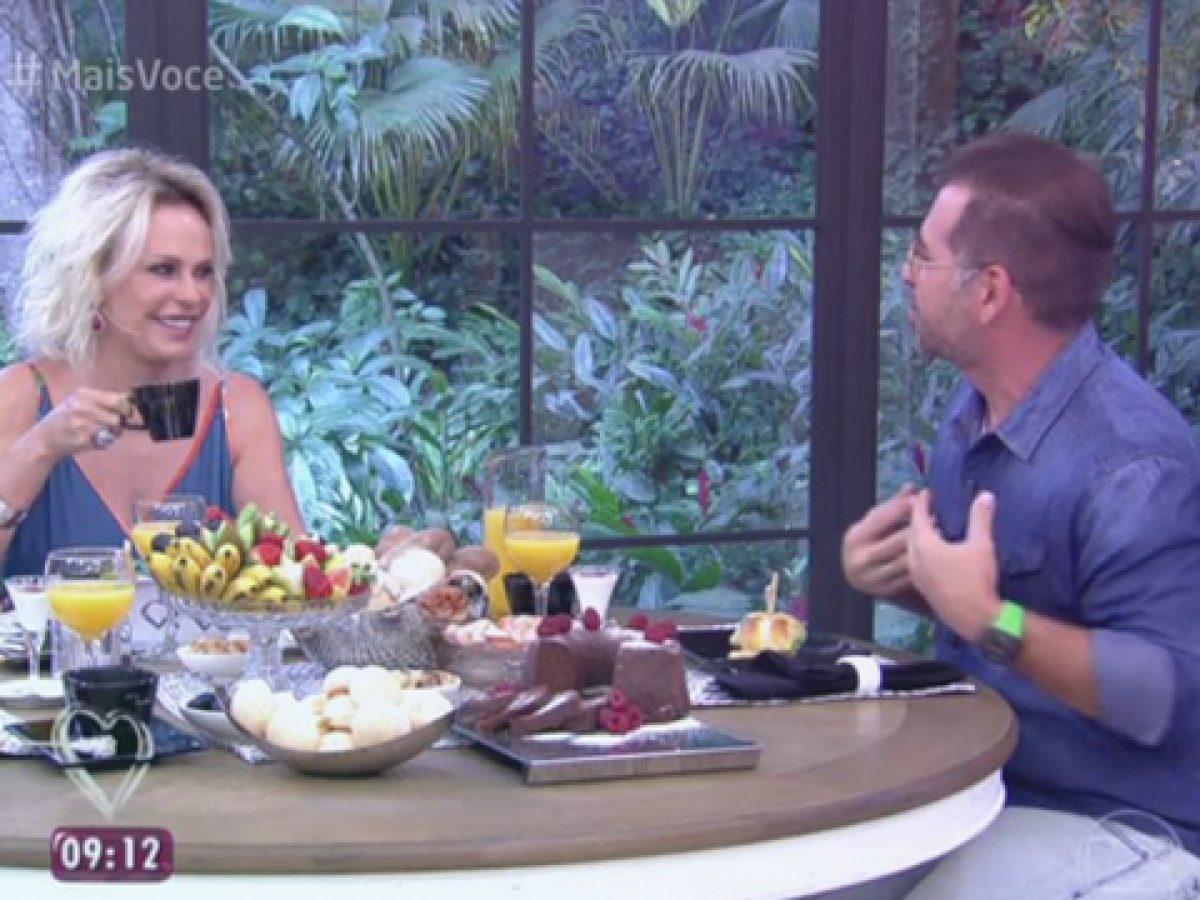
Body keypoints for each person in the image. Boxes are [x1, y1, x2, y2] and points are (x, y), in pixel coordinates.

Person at [841, 132, 1200, 898]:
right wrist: (911, 577)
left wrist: (987, 618)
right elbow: (1016, 610)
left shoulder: (1133, 466)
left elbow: (1163, 694)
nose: (906, 272)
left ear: (990, 292)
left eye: (924, 255)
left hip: (1120, 825)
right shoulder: (974, 409)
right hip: (976, 789)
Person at [0, 147, 304, 580]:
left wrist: (387, 564)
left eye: (203, 272)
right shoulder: (19, 397)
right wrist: (39, 449)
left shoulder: (236, 406)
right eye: (164, 270)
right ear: (92, 277)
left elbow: (299, 581)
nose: (193, 296)